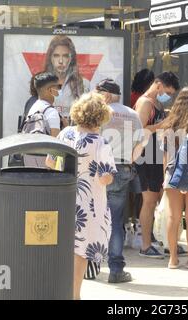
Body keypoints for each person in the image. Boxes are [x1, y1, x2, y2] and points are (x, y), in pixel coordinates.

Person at [46, 92, 116, 300]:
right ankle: (75, 296)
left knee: (64, 247)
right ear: (100, 116)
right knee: (81, 251)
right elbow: (105, 178)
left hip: (64, 197)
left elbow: (50, 162)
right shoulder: (100, 142)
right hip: (89, 205)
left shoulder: (66, 134)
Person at [96, 78, 146, 283]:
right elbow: (140, 145)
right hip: (122, 169)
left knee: (94, 218)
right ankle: (116, 270)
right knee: (116, 221)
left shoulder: (98, 112)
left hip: (99, 171)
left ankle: (89, 266)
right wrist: (128, 161)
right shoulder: (132, 114)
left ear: (105, 94)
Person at [134, 71, 180, 259]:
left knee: (159, 199)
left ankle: (162, 240)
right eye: (167, 92)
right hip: (146, 157)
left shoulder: (156, 103)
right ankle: (145, 245)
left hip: (156, 155)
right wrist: (161, 126)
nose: (168, 96)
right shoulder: (145, 103)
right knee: (150, 201)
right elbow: (138, 131)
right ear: (158, 84)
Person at [161, 87, 188, 269]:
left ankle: (173, 259)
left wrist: (166, 178)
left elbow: (166, 155)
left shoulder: (171, 124)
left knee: (173, 217)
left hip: (173, 174)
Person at [44, 35, 90, 118]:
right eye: (56, 55)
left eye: (65, 56)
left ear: (71, 58)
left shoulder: (83, 84)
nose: (61, 61)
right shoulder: (42, 83)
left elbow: (87, 116)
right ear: (50, 58)